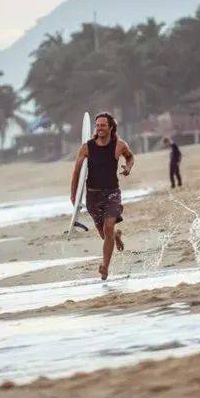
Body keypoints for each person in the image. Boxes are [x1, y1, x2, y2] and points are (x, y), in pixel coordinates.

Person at [70, 112, 135, 280]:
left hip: (112, 193)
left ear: (111, 127)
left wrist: (128, 168)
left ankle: (105, 267)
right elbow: (76, 172)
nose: (99, 128)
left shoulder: (119, 145)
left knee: (108, 227)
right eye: (97, 125)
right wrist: (74, 196)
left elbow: (130, 157)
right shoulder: (87, 147)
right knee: (104, 234)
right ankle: (116, 236)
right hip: (92, 196)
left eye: (103, 125)